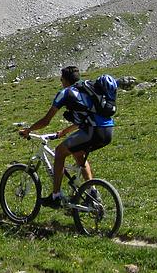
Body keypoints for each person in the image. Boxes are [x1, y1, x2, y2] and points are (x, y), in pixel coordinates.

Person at [18, 66, 115, 208]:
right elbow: (87, 117)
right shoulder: (86, 90)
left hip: (92, 131)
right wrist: (64, 131)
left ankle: (55, 196)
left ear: (65, 80)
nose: (60, 81)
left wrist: (29, 130)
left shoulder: (65, 93)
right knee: (78, 152)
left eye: (61, 78)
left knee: (59, 152)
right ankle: (92, 193)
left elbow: (46, 120)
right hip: (107, 131)